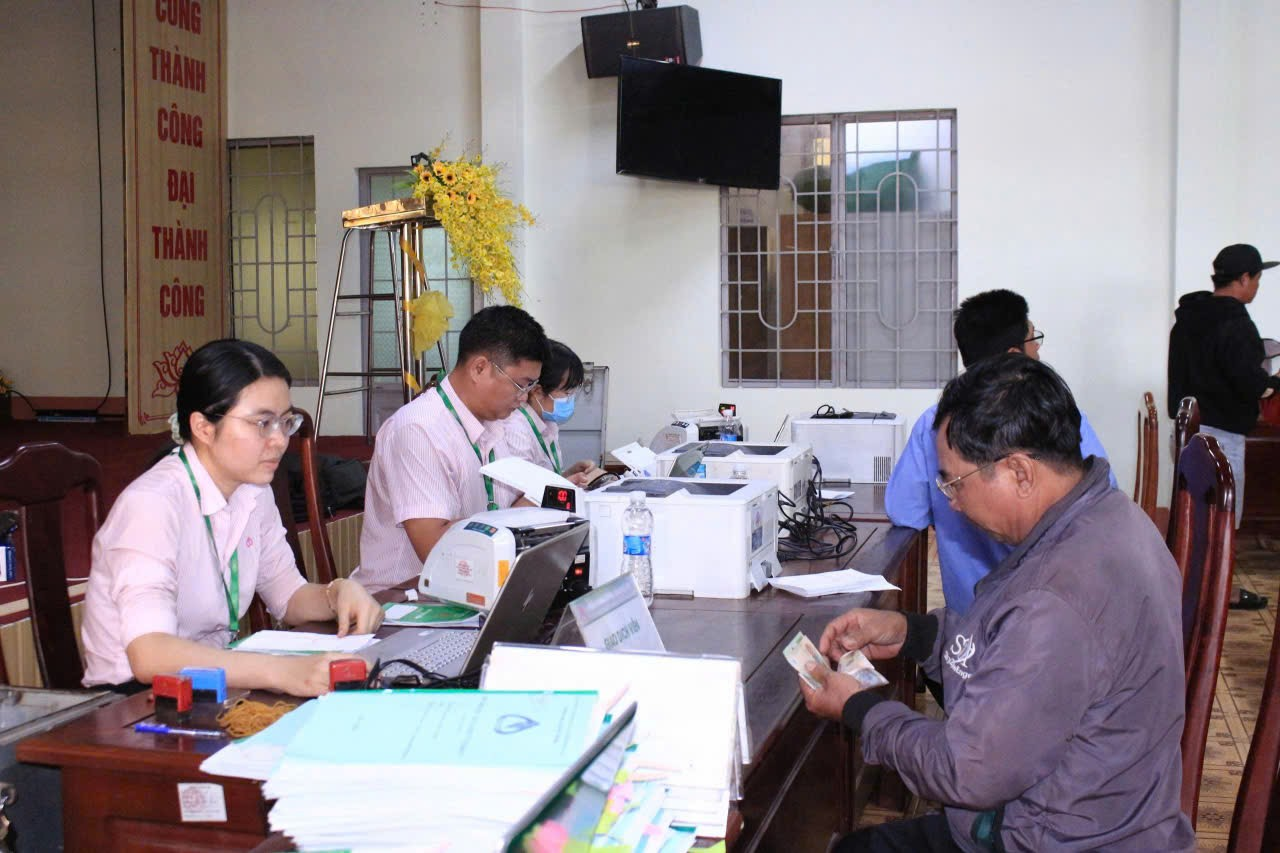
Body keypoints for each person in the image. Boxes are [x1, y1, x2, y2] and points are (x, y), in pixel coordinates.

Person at [802, 355, 1194, 852]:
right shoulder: (1111, 517)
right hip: (1094, 812)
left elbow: (963, 771)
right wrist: (911, 633)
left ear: (1020, 472)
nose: (951, 502)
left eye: (954, 482)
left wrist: (856, 707)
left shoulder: (1056, 597)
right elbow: (1010, 649)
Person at [81, 340, 384, 696]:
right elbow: (151, 655)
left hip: (211, 683)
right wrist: (283, 672)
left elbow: (288, 596)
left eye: (285, 422)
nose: (279, 440)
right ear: (203, 428)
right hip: (132, 701)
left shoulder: (252, 490)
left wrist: (338, 593)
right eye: (262, 423)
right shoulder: (151, 504)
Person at [885, 289, 1114, 615]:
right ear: (1014, 355)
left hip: (968, 620)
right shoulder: (1054, 418)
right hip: (1051, 613)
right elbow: (1101, 504)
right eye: (1034, 340)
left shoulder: (933, 425)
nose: (1038, 350)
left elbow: (905, 511)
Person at [354, 305, 549, 593]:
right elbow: (436, 550)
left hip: (468, 585)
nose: (524, 398)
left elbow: (506, 510)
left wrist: (539, 501)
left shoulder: (494, 425)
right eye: (521, 385)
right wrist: (535, 504)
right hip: (403, 598)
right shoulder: (418, 429)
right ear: (480, 368)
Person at [1168, 244, 1280, 591]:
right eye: (1257, 279)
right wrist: (1273, 382)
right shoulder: (1235, 322)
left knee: (1195, 521)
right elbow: (1252, 383)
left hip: (1187, 432)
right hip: (1222, 439)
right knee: (1223, 525)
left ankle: (1192, 591)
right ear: (1243, 278)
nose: (1257, 286)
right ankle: (1217, 595)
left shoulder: (1187, 318)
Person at [503, 339, 606, 487]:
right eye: (567, 393)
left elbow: (545, 480)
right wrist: (566, 484)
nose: (570, 399)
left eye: (573, 392)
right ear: (537, 391)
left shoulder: (548, 423)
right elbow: (523, 493)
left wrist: (569, 473)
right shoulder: (516, 429)